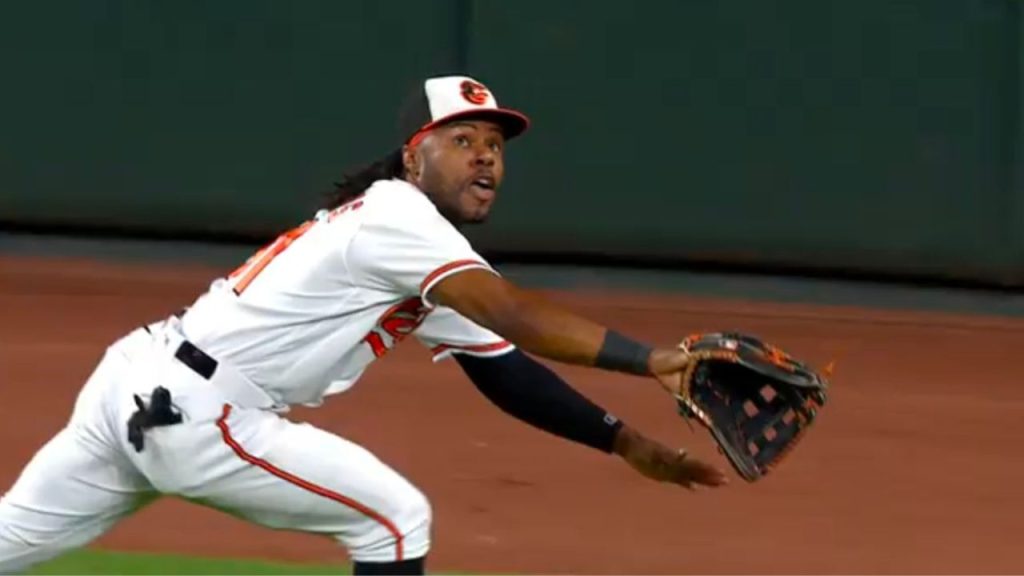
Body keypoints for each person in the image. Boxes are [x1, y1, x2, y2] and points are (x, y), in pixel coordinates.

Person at [0, 75, 727, 575]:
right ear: (416, 156)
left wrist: (626, 441)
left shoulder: (419, 246)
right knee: (394, 519)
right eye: (463, 139)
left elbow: (505, 368)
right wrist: (651, 359)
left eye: (495, 146)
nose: (485, 157)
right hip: (201, 413)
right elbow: (512, 311)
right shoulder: (399, 218)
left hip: (140, 380)